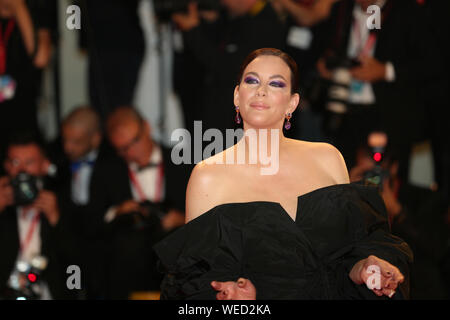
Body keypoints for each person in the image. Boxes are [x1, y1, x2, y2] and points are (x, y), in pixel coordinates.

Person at [154, 48, 412, 300]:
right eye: (252, 80)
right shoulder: (207, 176)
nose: (261, 90)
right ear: (236, 96)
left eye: (275, 84)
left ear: (292, 103)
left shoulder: (327, 158)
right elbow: (196, 283)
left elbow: (343, 259)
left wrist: (365, 268)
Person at [349, 131, 449, 299]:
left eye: (377, 174)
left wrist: (398, 212)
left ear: (394, 167)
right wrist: (346, 194)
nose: (373, 180)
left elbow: (438, 248)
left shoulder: (424, 198)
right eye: (367, 174)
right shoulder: (351, 199)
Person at [104, 106, 189, 299]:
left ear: (147, 128)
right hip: (128, 267)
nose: (131, 152)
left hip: (177, 263)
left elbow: (210, 215)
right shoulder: (108, 171)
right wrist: (118, 213)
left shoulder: (182, 161)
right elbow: (91, 225)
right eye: (122, 149)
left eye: (134, 142)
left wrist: (182, 219)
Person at [172, 0, 286, 141]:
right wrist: (213, 24)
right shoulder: (241, 18)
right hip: (225, 120)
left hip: (237, 124)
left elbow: (229, 69)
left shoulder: (264, 24)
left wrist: (193, 31)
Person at [58, 106, 131, 299]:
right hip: (68, 251)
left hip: (105, 254)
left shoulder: (115, 164)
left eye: (76, 142)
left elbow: (120, 209)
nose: (68, 147)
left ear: (96, 138)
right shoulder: (58, 163)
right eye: (65, 139)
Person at [0, 132, 82, 299]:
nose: (22, 170)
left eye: (29, 162)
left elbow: (77, 267)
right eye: (15, 162)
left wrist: (56, 220)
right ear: (6, 166)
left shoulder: (61, 203)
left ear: (45, 165)